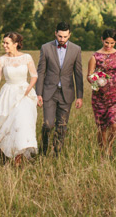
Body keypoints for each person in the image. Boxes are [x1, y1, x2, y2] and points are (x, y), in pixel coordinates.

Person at [0, 32, 38, 166]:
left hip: (24, 93)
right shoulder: (2, 60)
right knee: (4, 122)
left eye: (7, 43)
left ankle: (18, 157)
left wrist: (29, 88)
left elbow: (34, 76)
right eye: (3, 43)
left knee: (21, 123)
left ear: (15, 44)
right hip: (8, 93)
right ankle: (5, 150)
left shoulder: (27, 57)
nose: (4, 45)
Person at [36, 22, 84, 156]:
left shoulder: (76, 49)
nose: (62, 39)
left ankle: (57, 153)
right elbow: (41, 72)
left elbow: (78, 73)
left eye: (65, 36)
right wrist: (38, 93)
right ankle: (43, 151)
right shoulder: (46, 48)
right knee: (48, 124)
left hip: (66, 93)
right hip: (49, 92)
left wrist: (80, 96)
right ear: (55, 33)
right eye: (60, 36)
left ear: (69, 35)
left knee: (62, 126)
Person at [87, 29, 116, 157]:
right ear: (101, 39)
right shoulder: (95, 56)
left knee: (114, 124)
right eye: (106, 43)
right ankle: (102, 153)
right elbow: (89, 76)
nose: (109, 46)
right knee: (101, 127)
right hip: (99, 96)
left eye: (112, 43)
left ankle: (109, 148)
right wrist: (97, 80)